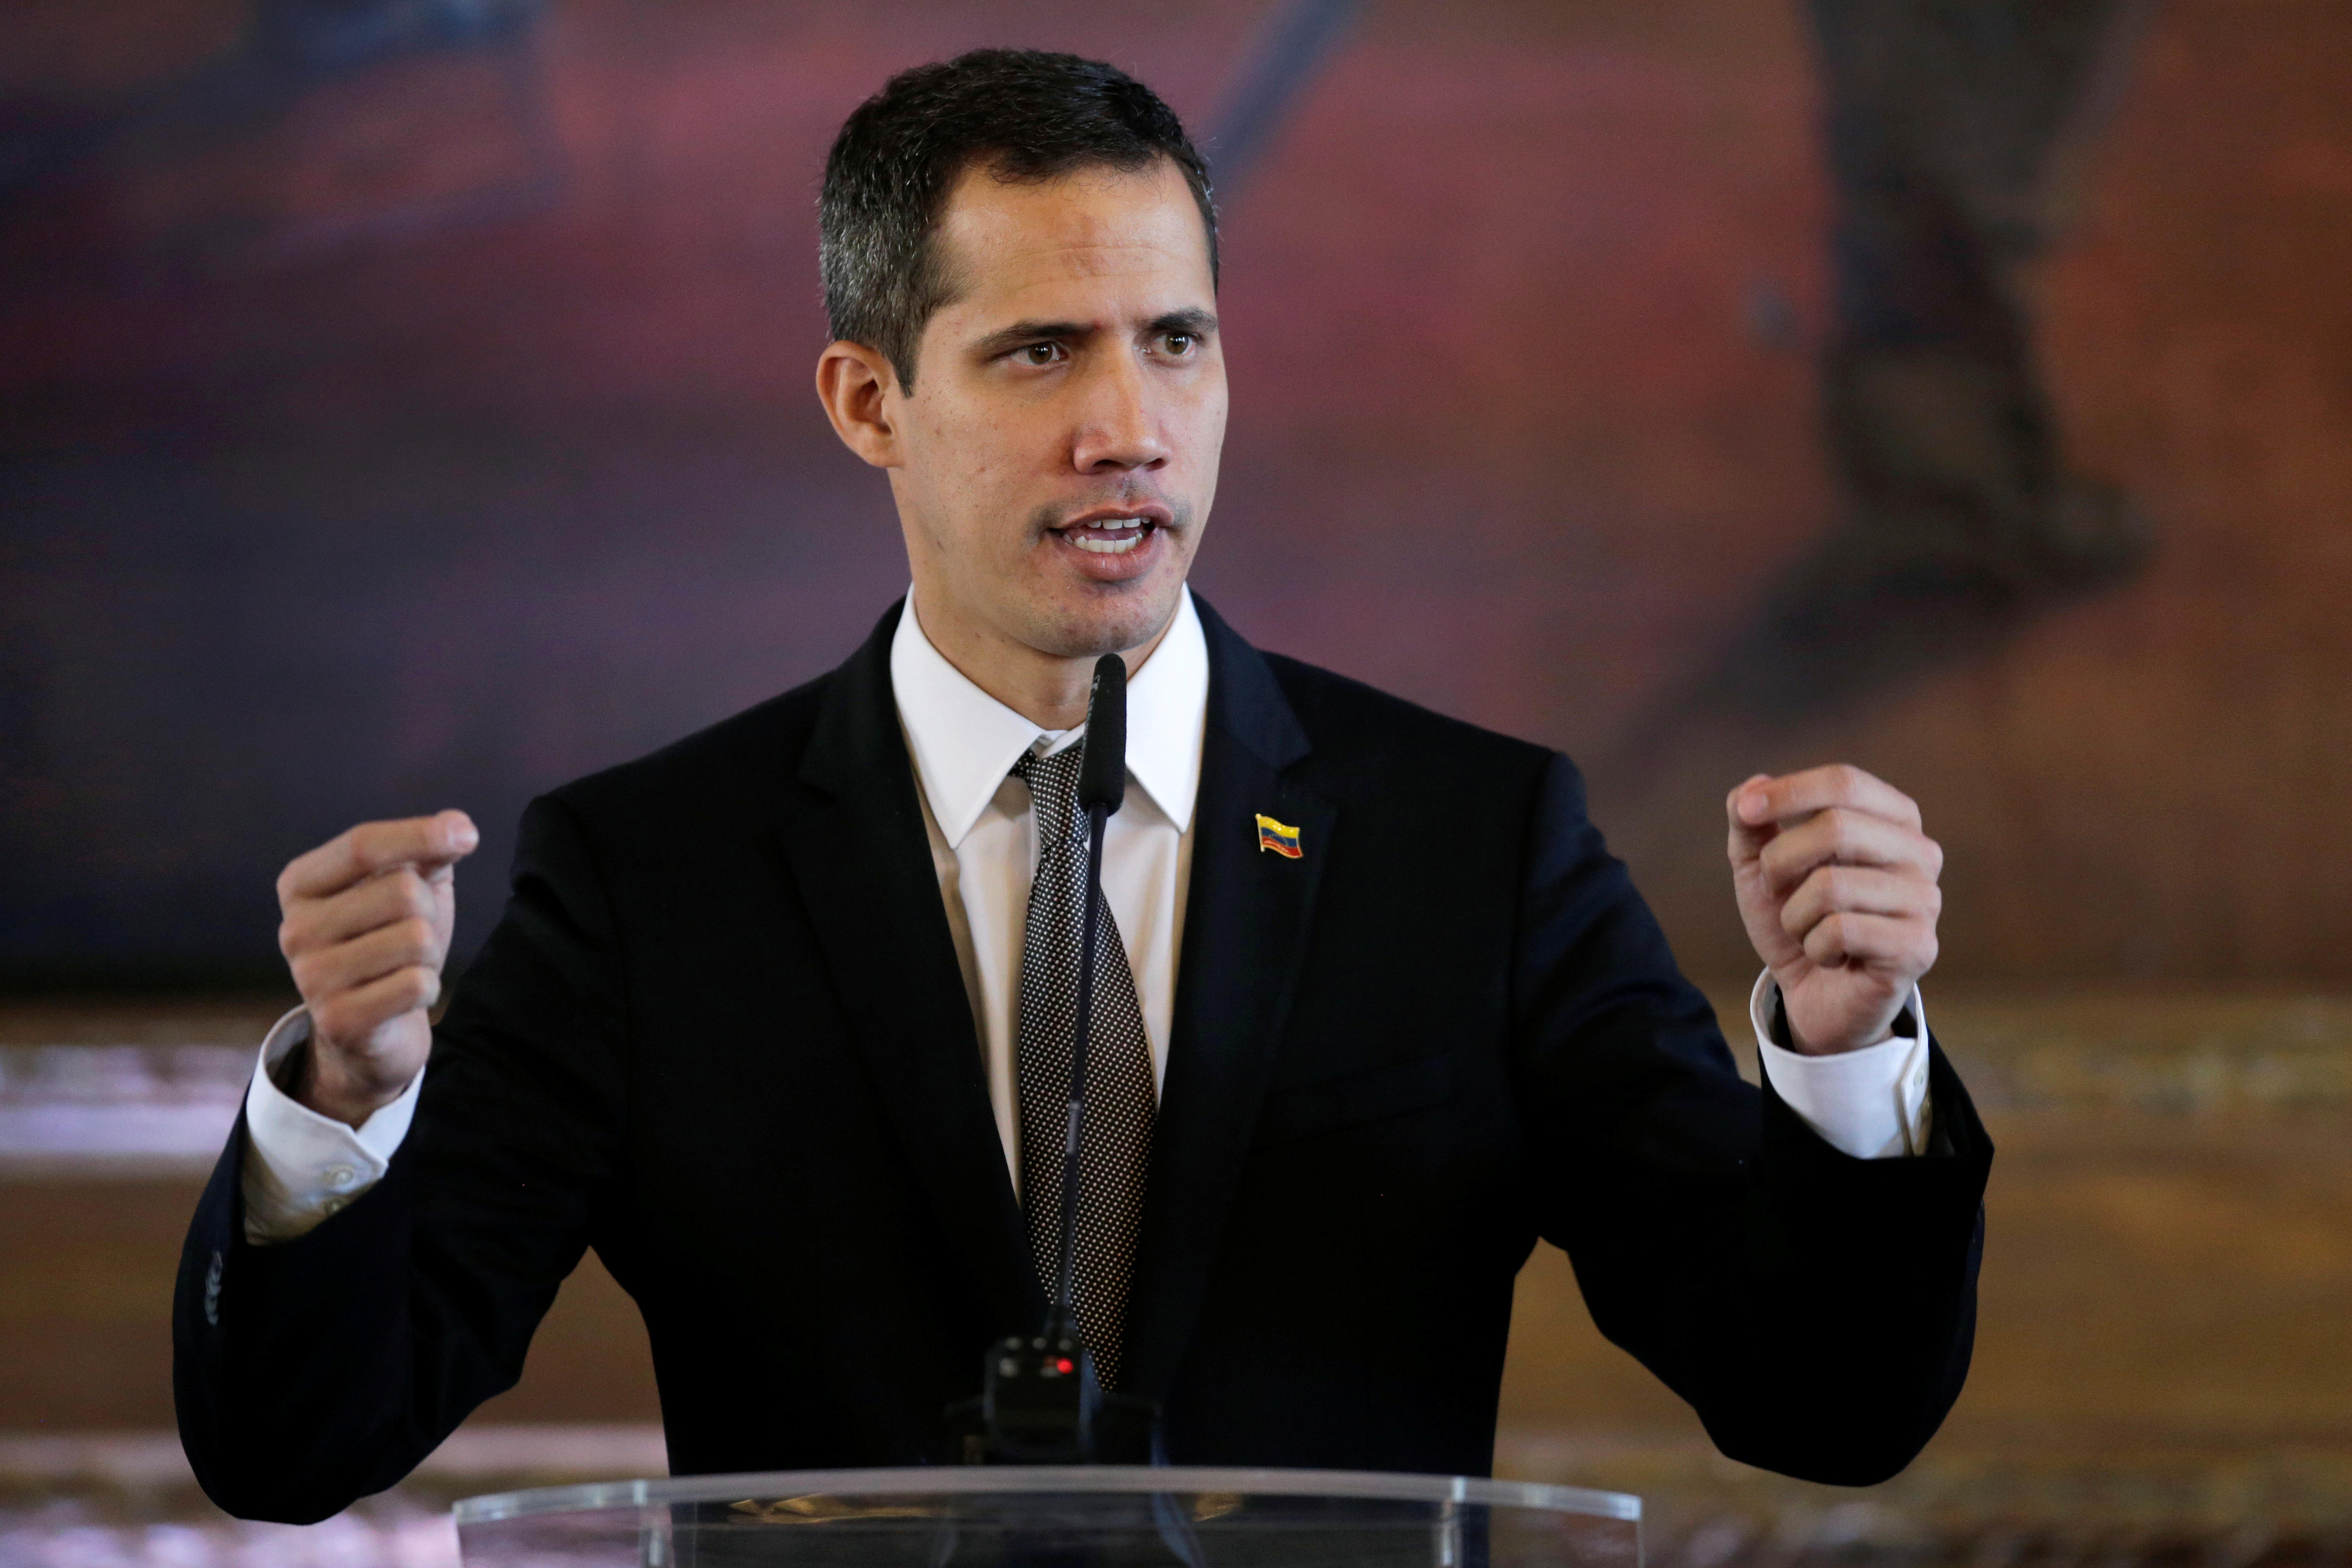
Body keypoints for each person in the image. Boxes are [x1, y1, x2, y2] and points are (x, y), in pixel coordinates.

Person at [174, 49, 1990, 1524]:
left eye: (1174, 340)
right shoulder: (657, 880)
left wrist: (1841, 1059)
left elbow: (1825, 1406)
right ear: (868, 401)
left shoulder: (1471, 843)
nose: (1128, 423)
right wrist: (343, 1099)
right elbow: (301, 1447)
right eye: (1041, 350)